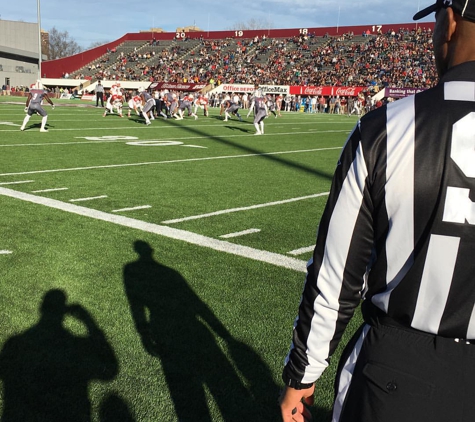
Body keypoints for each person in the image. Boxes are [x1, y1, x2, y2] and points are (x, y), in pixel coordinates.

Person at [279, 1, 475, 421]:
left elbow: (336, 276)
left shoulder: (387, 127)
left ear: (452, 21)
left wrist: (302, 375)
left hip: (397, 377)